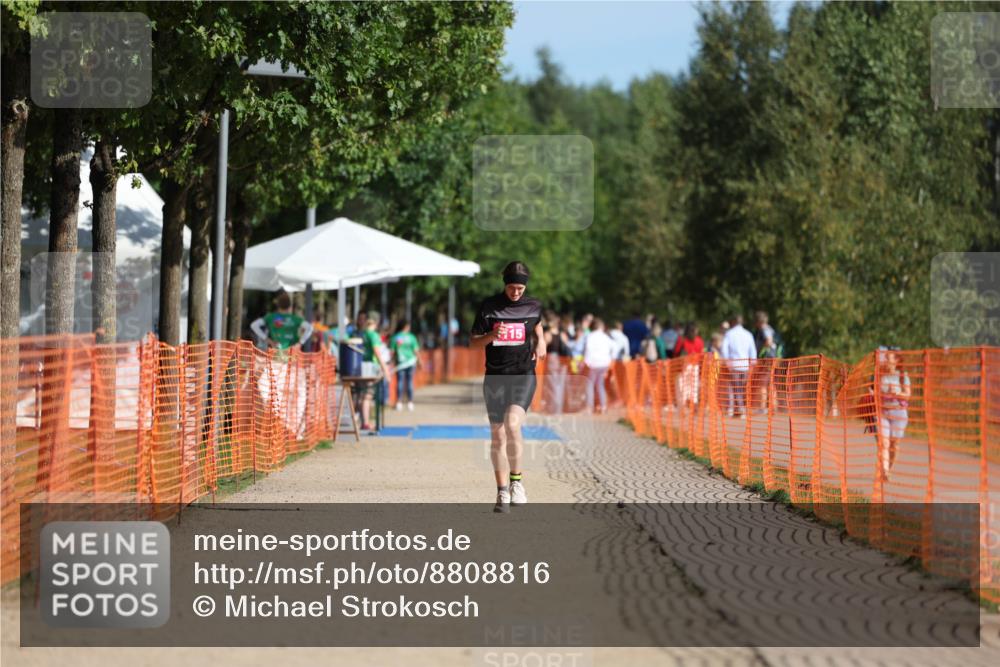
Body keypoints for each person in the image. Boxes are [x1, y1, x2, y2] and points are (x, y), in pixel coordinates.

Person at [470, 261, 545, 513]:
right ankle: (502, 491)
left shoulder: (533, 305)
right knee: (497, 435)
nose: (516, 293)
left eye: (520, 289)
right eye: (512, 288)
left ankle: (517, 483)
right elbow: (473, 343)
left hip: (523, 374)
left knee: (512, 424)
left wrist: (542, 341)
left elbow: (536, 324)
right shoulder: (489, 307)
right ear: (505, 285)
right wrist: (492, 336)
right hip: (495, 378)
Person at [876, 346, 910, 481]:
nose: (885, 360)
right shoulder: (880, 374)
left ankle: (888, 468)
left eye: (888, 358)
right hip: (883, 412)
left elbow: (908, 395)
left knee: (894, 444)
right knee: (884, 443)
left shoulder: (902, 376)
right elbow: (876, 392)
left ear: (896, 360)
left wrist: (897, 393)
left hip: (899, 413)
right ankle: (884, 471)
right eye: (885, 358)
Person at [359, 311, 392, 431]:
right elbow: (377, 353)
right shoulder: (373, 335)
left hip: (364, 366)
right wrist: (385, 370)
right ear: (376, 322)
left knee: (364, 395)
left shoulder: (363, 333)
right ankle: (366, 423)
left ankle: (365, 421)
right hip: (371, 367)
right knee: (367, 395)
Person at [721, 314, 756, 418]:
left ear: (733, 322)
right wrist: (753, 363)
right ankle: (740, 409)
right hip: (745, 365)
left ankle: (735, 409)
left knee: (734, 387)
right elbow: (752, 350)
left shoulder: (729, 334)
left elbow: (724, 349)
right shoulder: (748, 334)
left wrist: (726, 361)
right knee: (742, 387)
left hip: (733, 364)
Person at [582, 318, 616, 414]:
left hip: (593, 363)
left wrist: (586, 361)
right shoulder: (605, 337)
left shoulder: (590, 336)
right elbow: (614, 347)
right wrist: (611, 359)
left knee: (590, 384)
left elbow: (587, 349)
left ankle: (589, 407)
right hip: (604, 363)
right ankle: (603, 406)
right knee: (600, 384)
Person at [391, 321, 421, 411]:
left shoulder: (396, 337)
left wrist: (391, 362)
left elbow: (392, 351)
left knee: (400, 382)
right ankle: (410, 402)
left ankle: (399, 402)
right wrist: (420, 361)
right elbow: (416, 350)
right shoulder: (412, 337)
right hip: (411, 362)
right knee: (410, 382)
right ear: (406, 326)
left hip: (400, 362)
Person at [673, 323, 705, 407]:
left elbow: (676, 352)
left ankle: (688, 404)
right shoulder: (695, 340)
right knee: (690, 386)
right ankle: (689, 404)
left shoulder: (683, 339)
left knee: (685, 386)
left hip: (689, 365)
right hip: (688, 366)